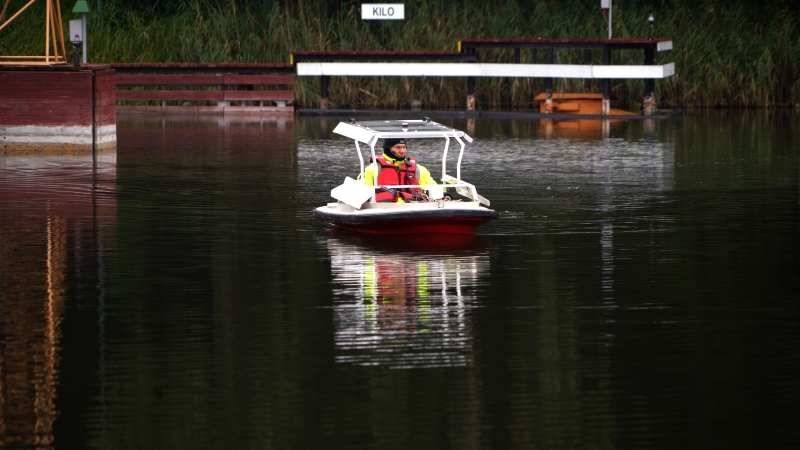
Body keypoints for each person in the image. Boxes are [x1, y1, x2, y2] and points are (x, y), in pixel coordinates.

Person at [359, 138, 443, 203]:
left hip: (414, 207)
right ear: (388, 148)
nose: (402, 151)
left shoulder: (419, 169)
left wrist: (441, 196)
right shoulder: (373, 169)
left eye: (404, 147)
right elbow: (362, 191)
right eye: (398, 147)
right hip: (383, 208)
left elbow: (433, 186)